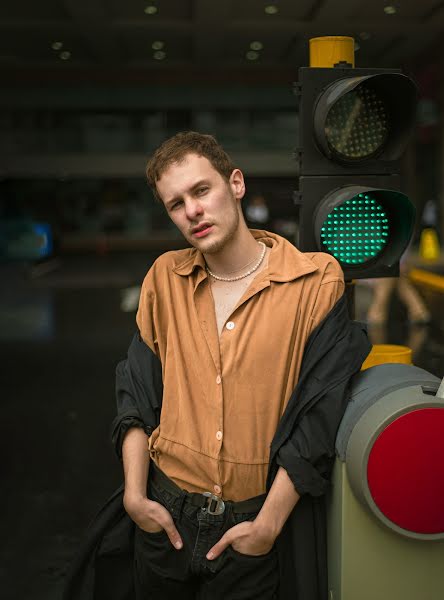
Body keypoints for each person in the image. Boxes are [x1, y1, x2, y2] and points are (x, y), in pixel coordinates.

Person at [63, 131, 370, 600]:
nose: (192, 211)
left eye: (201, 190)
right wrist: (135, 497)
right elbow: (136, 392)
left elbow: (318, 414)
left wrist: (267, 526)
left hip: (253, 524)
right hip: (164, 516)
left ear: (236, 184)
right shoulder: (165, 278)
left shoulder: (314, 280)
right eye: (175, 203)